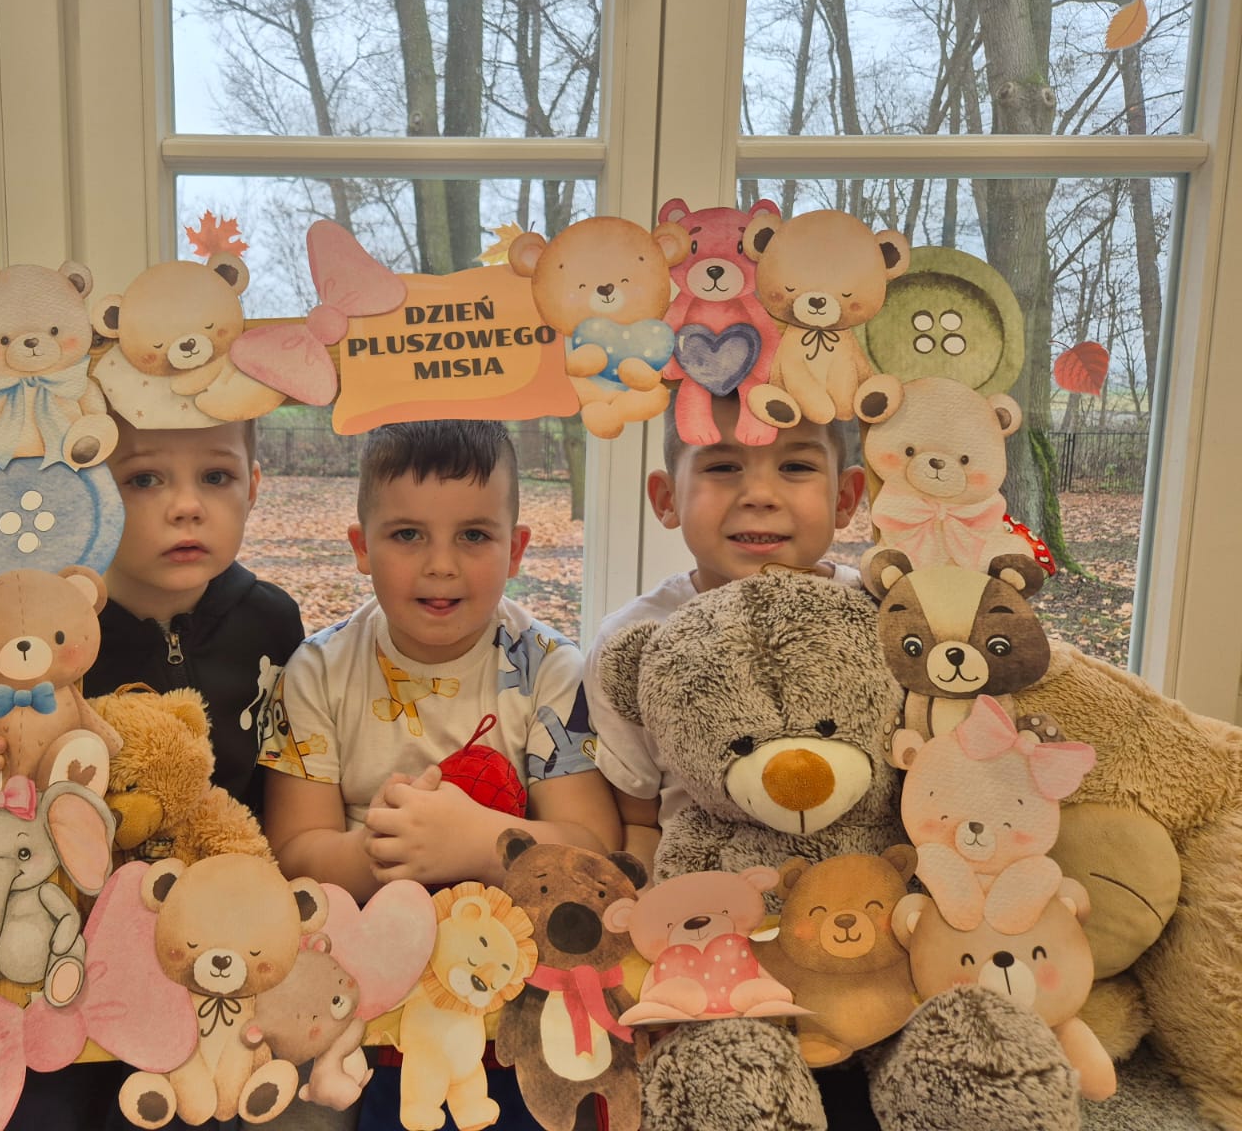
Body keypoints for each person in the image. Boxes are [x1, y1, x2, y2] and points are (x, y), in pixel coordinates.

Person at [0, 416, 303, 1131]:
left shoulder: (272, 625)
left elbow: (273, 811)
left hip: (205, 974)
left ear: (254, 485)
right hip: (53, 966)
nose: (186, 505)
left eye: (216, 476)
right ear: (83, 501)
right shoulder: (29, 635)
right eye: (143, 479)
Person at [259, 418, 620, 1131]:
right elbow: (294, 852)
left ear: (516, 549)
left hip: (512, 983)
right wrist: (386, 853)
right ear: (362, 547)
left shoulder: (549, 669)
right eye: (407, 535)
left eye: (474, 535)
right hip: (362, 985)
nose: (441, 565)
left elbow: (594, 850)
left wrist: (481, 844)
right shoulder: (317, 671)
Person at [582, 390, 866, 872]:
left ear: (844, 498)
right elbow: (638, 820)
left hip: (862, 900)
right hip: (702, 904)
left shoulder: (881, 616)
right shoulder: (631, 641)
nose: (759, 495)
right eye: (722, 467)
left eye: (796, 466)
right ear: (667, 499)